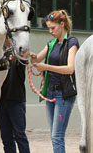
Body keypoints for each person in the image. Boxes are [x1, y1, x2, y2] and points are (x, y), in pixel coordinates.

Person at [30, 10, 79, 153]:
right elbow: (37, 59)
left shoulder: (72, 42)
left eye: (53, 28)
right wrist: (32, 56)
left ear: (62, 24)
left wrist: (46, 67)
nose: (50, 31)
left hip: (63, 95)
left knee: (57, 136)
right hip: (50, 93)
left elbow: (70, 69)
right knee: (54, 135)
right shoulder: (51, 44)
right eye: (48, 28)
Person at [0, 40, 30, 153]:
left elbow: (25, 56)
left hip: (16, 100)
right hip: (1, 100)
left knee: (19, 135)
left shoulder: (20, 50)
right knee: (6, 137)